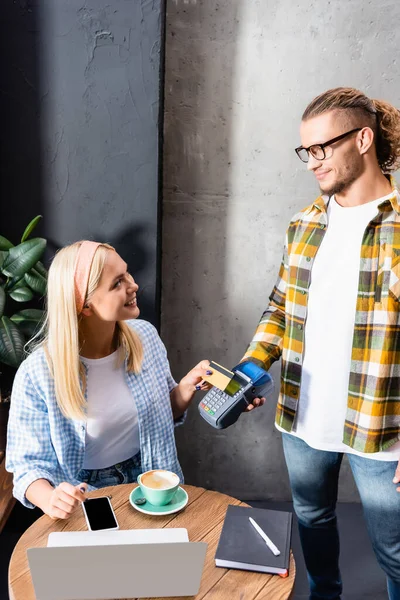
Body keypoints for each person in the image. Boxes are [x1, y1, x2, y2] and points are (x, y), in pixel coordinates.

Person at [241, 88, 400, 600]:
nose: (312, 163)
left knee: (395, 553)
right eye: (305, 151)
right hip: (302, 418)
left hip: (382, 424)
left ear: (363, 138)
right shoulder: (305, 223)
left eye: (322, 148)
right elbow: (281, 308)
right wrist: (249, 368)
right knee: (311, 518)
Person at [6, 240, 212, 520]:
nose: (133, 285)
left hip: (153, 478)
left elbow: (160, 415)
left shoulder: (145, 337)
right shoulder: (38, 373)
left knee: (166, 561)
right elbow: (27, 466)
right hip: (87, 493)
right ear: (85, 305)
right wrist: (50, 498)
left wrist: (187, 387)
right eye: (117, 283)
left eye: (127, 274)